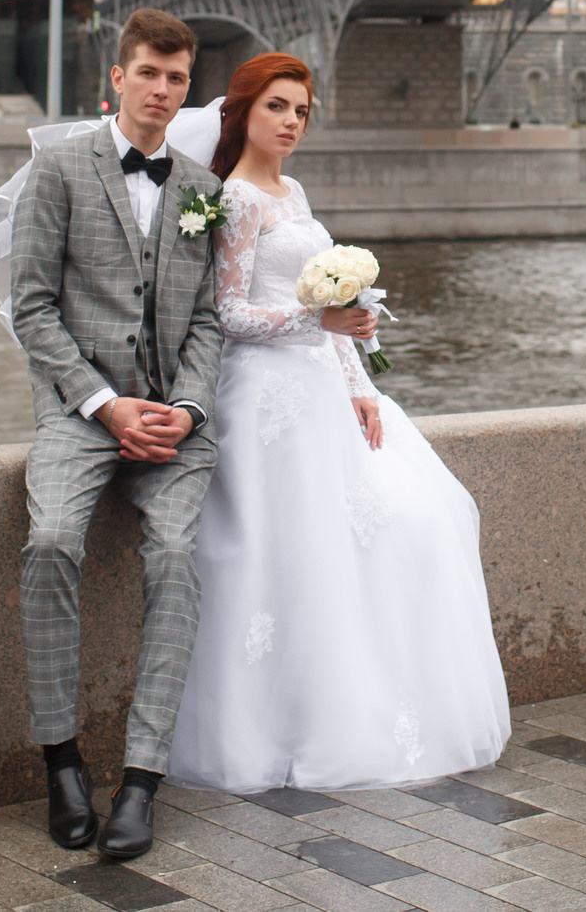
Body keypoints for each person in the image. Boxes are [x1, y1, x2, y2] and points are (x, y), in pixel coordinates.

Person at [169, 52, 510, 793]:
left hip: (325, 384)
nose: (291, 122)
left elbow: (334, 324)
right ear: (243, 112)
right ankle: (296, 723)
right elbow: (228, 314)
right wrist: (314, 314)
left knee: (418, 520)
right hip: (267, 400)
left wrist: (358, 379)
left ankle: (376, 703)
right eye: (278, 107)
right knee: (302, 557)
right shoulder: (233, 200)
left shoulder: (294, 190)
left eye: (301, 111)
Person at [8, 8, 225, 860]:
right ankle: (61, 759)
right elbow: (31, 307)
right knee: (53, 538)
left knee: (176, 556)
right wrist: (105, 404)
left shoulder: (203, 187)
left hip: (175, 419)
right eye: (149, 74)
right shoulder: (59, 167)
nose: (163, 91)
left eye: (176, 78)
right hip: (81, 412)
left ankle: (142, 778)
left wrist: (191, 408)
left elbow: (208, 319)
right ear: (118, 77)